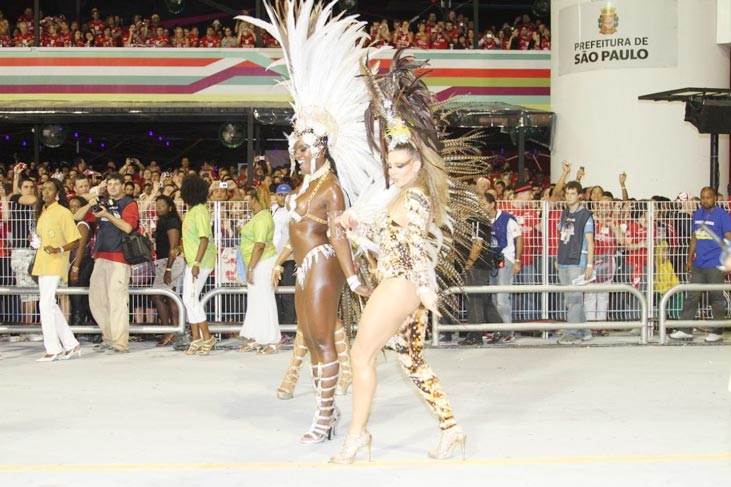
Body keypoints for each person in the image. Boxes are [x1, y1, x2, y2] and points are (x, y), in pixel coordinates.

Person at [239, 3, 380, 445]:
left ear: (320, 147)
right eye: (295, 144)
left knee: (321, 338)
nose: (295, 151)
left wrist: (354, 279)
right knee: (310, 336)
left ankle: (323, 418)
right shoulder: (302, 186)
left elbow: (337, 233)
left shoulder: (330, 186)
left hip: (323, 264)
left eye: (301, 145)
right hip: (303, 266)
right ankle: (329, 411)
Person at [330, 52, 476, 464]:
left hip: (400, 284)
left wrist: (427, 290)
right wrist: (355, 223)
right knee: (411, 361)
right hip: (402, 284)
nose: (393, 171)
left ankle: (357, 437)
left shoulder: (414, 197)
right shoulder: (404, 195)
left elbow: (414, 245)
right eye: (390, 165)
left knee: (361, 355)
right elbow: (389, 236)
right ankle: (452, 429)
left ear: (416, 163)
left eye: (401, 165)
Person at [83, 172, 140, 354]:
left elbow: (128, 227)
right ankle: (108, 337)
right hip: (100, 256)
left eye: (116, 184)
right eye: (110, 184)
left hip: (119, 257)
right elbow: (76, 216)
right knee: (97, 300)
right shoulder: (101, 202)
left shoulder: (129, 203)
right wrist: (90, 202)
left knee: (117, 301)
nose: (113, 187)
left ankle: (120, 342)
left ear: (123, 186)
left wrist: (107, 214)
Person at [669, 187, 731, 343]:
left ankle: (717, 331)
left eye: (708, 197)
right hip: (699, 264)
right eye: (702, 197)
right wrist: (690, 260)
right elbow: (694, 238)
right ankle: (685, 329)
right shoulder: (696, 214)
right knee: (691, 296)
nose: (705, 200)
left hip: (716, 263)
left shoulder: (723, 216)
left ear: (715, 198)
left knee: (716, 297)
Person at [30, 179, 81, 361]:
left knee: (45, 304)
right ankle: (71, 344)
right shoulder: (43, 211)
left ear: (58, 192)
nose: (45, 192)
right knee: (49, 304)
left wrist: (59, 249)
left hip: (55, 260)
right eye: (43, 189)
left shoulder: (63, 212)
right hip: (42, 260)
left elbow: (76, 240)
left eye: (49, 189)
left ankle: (53, 348)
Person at [238, 186, 281, 354]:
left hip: (261, 263)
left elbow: (260, 245)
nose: (249, 203)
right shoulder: (260, 217)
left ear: (256, 200)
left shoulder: (263, 218)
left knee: (265, 300)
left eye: (250, 200)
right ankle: (260, 337)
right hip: (258, 263)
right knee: (257, 301)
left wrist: (250, 268)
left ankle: (274, 339)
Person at [179, 174, 218, 356]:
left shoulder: (201, 210)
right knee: (188, 299)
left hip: (200, 262)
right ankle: (196, 338)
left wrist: (196, 262)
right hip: (193, 261)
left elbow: (204, 238)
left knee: (191, 299)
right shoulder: (191, 210)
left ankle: (207, 337)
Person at [556, 180, 595, 345]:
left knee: (574, 299)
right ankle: (584, 330)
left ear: (579, 195)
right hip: (563, 260)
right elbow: (562, 237)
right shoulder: (564, 213)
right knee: (570, 299)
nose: (569, 196)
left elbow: (590, 242)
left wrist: (589, 265)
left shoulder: (585, 215)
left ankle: (572, 332)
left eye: (573, 193)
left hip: (577, 261)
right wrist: (557, 258)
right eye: (567, 193)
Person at [149, 195, 184, 347]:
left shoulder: (172, 222)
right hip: (164, 262)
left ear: (170, 207)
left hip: (171, 262)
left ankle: (170, 331)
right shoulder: (163, 222)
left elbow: (174, 248)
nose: (159, 208)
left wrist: (168, 269)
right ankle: (172, 331)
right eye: (157, 205)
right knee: (167, 296)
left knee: (160, 295)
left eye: (162, 205)